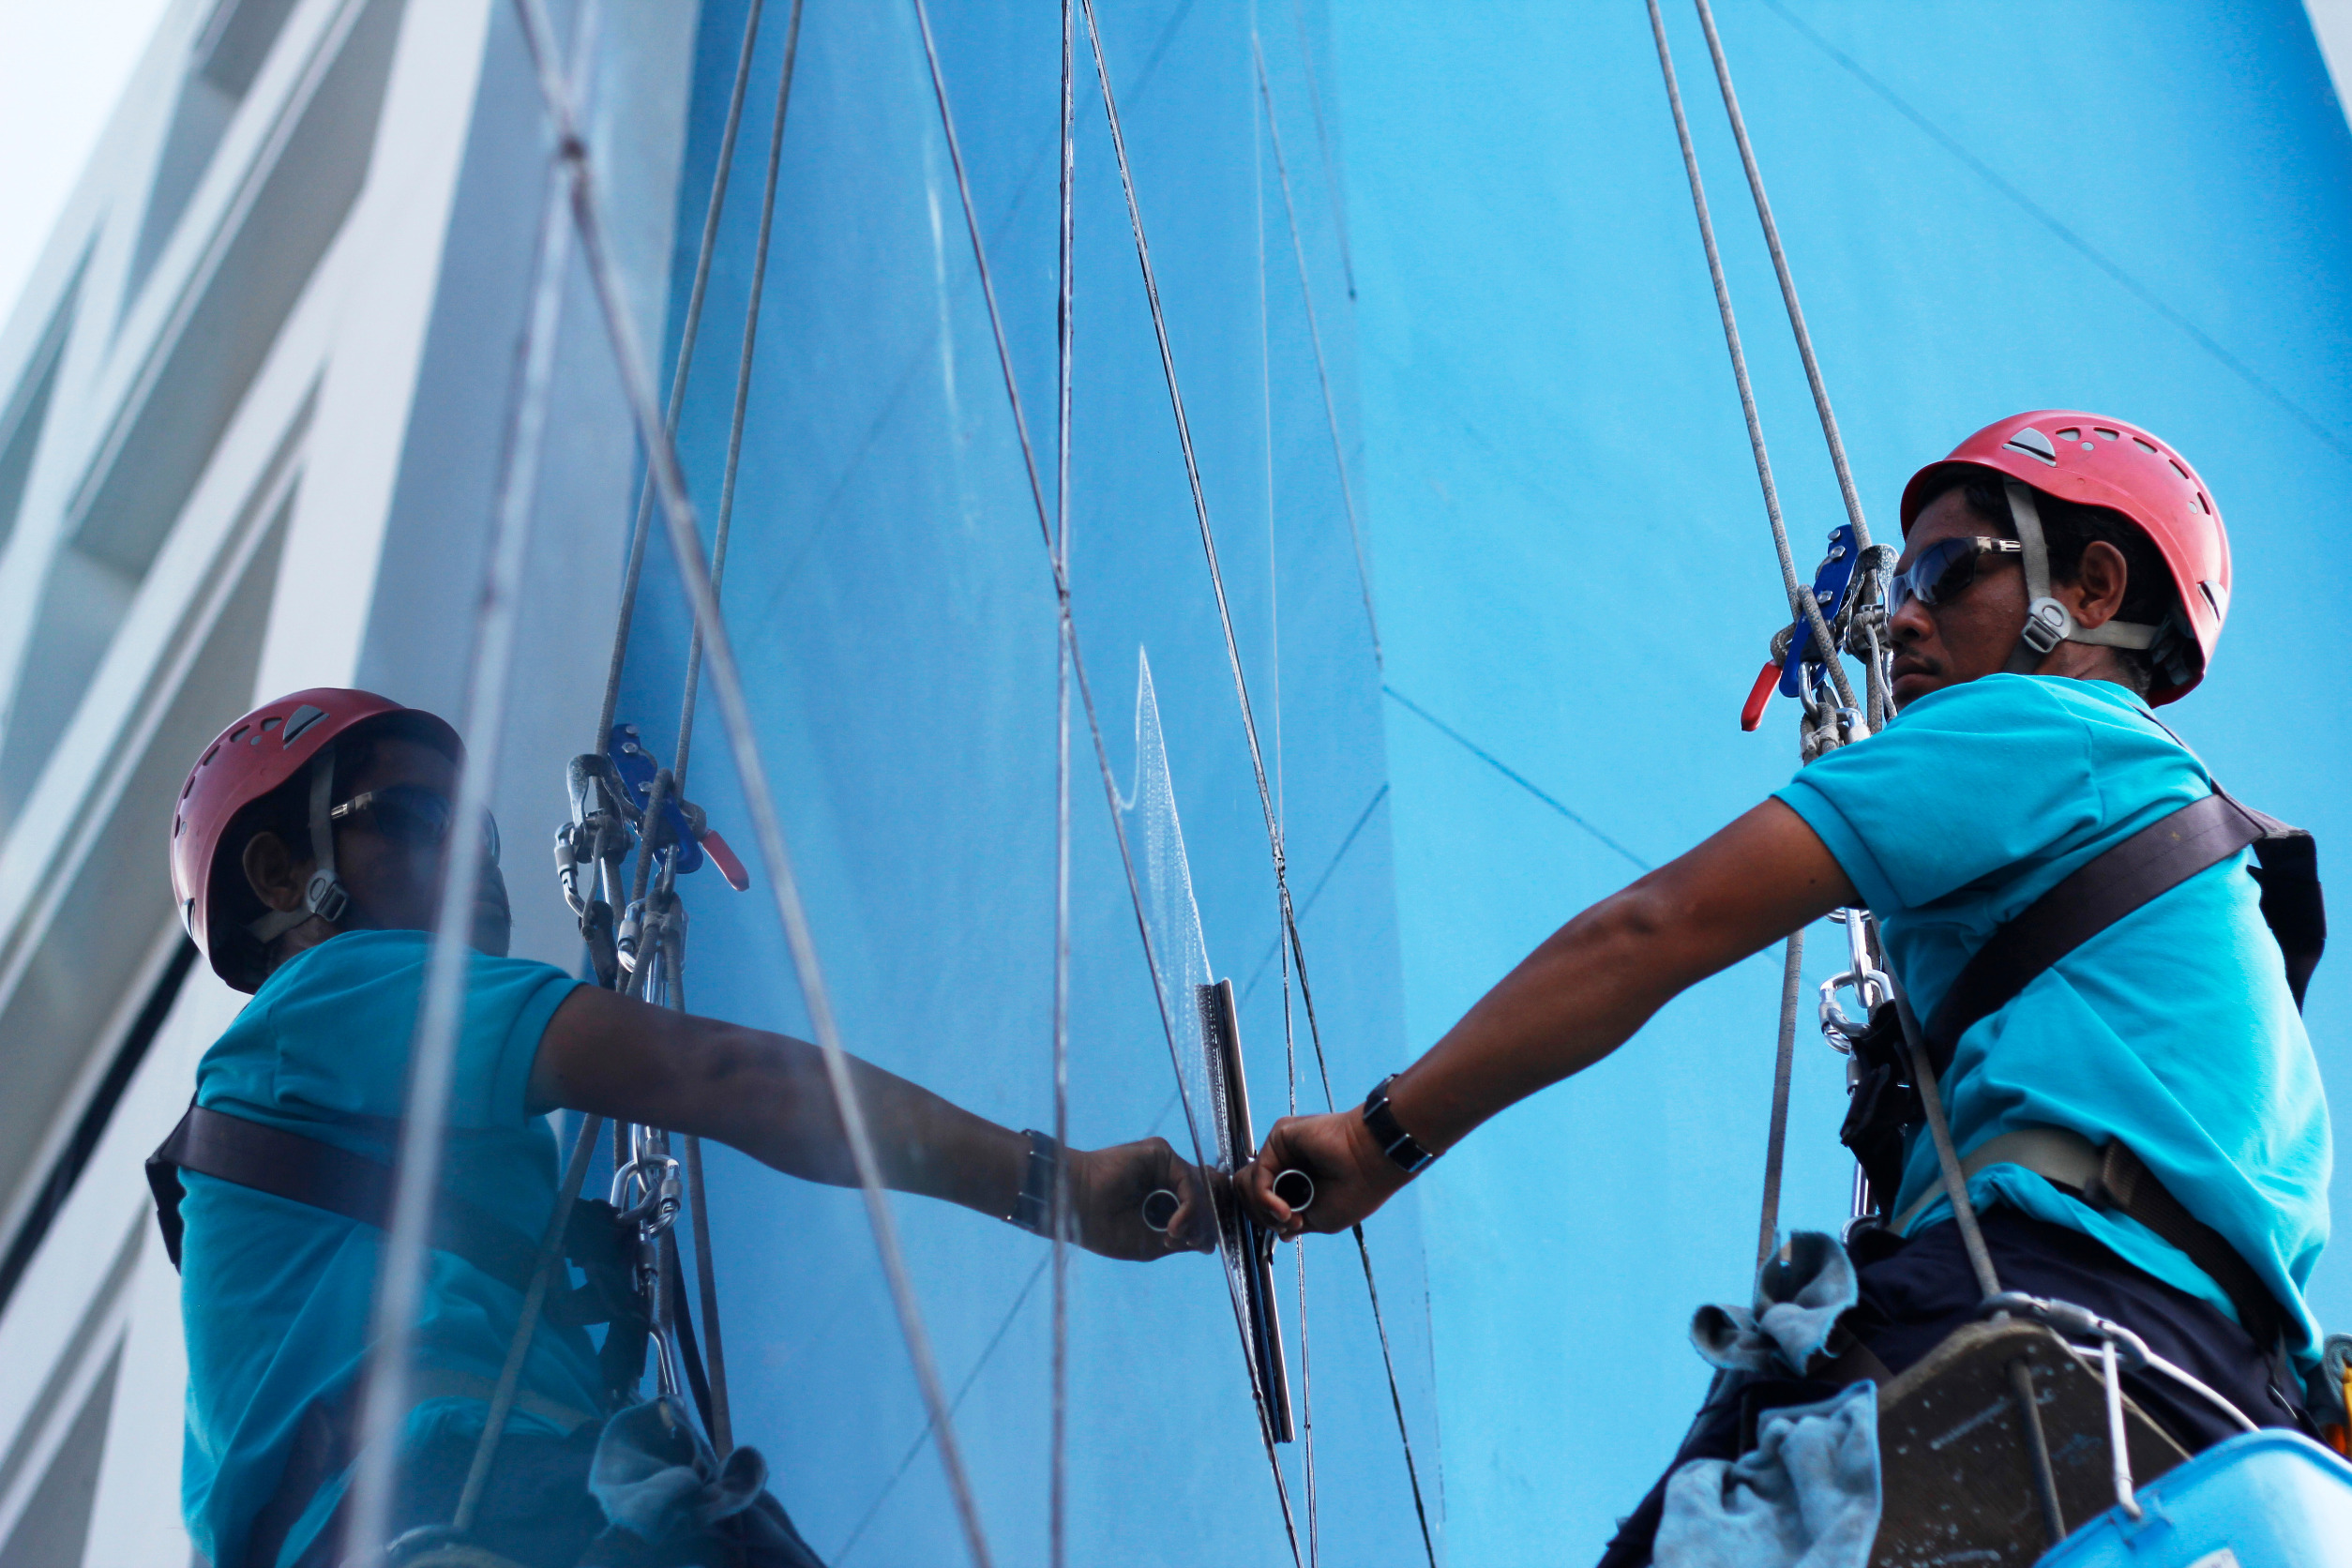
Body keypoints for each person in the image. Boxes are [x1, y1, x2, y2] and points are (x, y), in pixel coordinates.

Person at [1237, 412, 2331, 1563]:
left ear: (2095, 590)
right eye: (1902, 578)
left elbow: (1654, 930)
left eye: (1949, 569)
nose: (1903, 613)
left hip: (2043, 1325)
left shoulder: (2041, 728)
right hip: (2215, 1438)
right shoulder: (2217, 899)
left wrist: (1379, 1140)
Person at [157, 688, 1211, 1568]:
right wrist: (1048, 1183)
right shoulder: (327, 998)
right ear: (283, 876)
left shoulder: (356, 1131)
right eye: (420, 818)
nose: (477, 858)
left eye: (481, 830)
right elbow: (724, 1076)